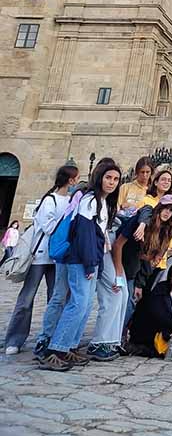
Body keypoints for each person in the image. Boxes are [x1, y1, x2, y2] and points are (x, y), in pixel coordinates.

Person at [39, 159, 122, 371]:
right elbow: (84, 235)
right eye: (108, 178)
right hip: (79, 259)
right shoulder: (91, 200)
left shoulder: (103, 203)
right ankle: (55, 349)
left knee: (84, 306)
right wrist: (89, 265)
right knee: (77, 303)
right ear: (99, 177)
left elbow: (100, 237)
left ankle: (69, 346)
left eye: (116, 179)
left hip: (89, 260)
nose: (112, 183)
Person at [5, 163, 79, 355]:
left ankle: (50, 336)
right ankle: (14, 339)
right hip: (40, 256)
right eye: (75, 179)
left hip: (58, 258)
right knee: (26, 299)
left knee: (56, 299)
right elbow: (48, 227)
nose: (77, 182)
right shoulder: (50, 201)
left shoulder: (72, 200)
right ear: (70, 180)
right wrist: (68, 227)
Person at [111, 196, 172, 337]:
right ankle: (115, 336)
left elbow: (150, 263)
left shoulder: (165, 232)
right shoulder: (146, 217)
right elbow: (146, 209)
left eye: (171, 211)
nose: (167, 212)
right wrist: (142, 225)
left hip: (134, 271)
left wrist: (140, 284)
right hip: (120, 262)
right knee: (121, 302)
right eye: (165, 208)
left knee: (129, 303)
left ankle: (119, 336)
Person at [128, 260, 172, 361]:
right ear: (170, 274)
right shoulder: (160, 289)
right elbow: (160, 315)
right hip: (151, 328)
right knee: (161, 339)